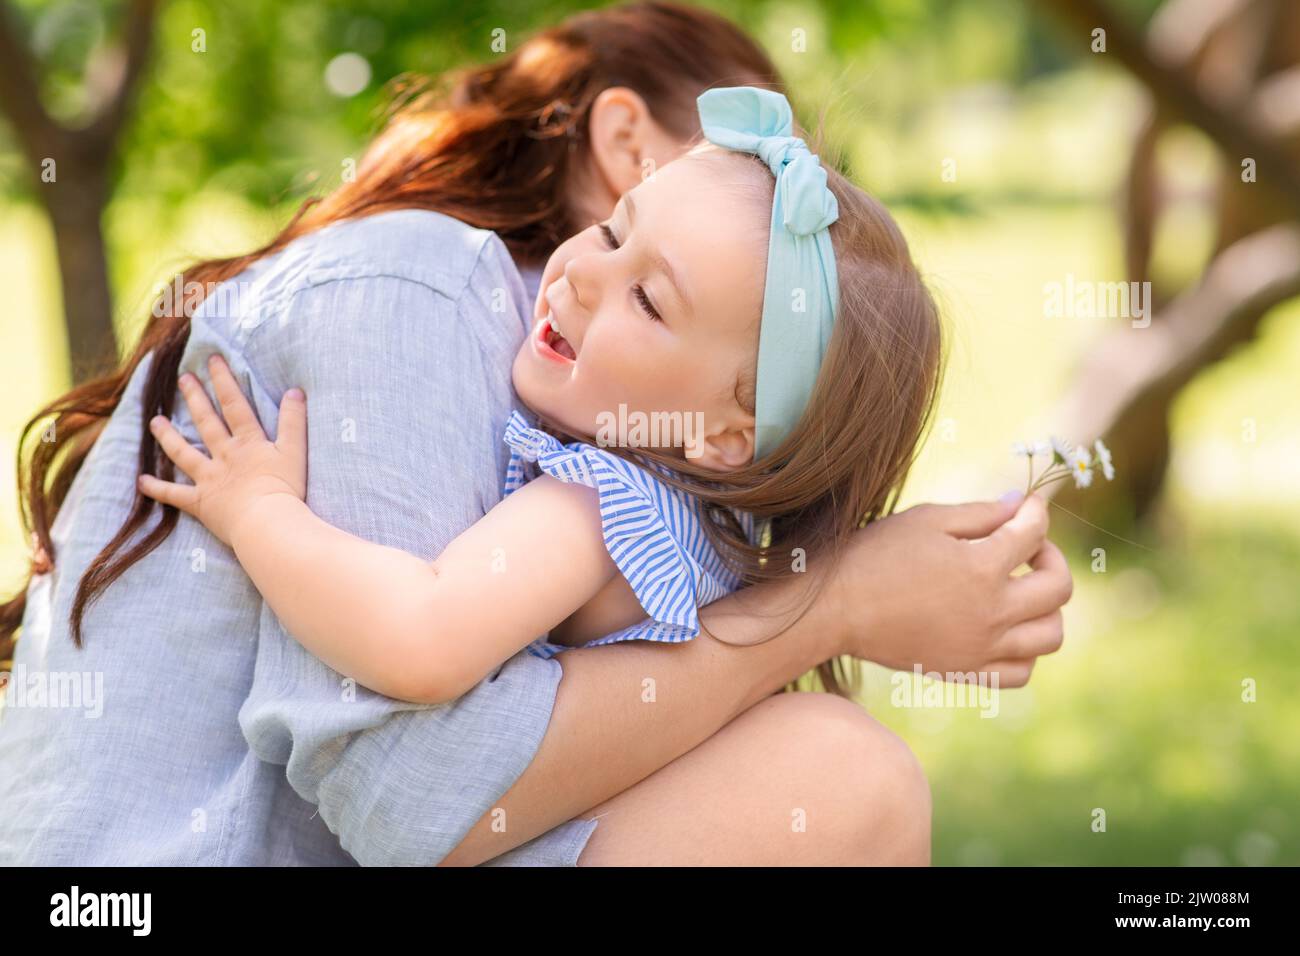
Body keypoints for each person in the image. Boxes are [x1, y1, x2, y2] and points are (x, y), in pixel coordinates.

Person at [0, 4, 1070, 866]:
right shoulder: (417, 287)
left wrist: (260, 510)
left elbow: (416, 638)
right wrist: (832, 603)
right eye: (614, 232)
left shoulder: (594, 499)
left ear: (733, 431)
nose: (580, 274)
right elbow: (409, 792)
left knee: (837, 772)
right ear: (624, 146)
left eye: (653, 299)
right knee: (842, 774)